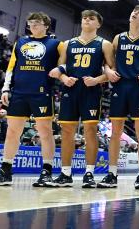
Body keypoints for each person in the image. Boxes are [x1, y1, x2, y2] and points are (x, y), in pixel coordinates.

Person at [0, 12, 61, 187]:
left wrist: (61, 71)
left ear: (46, 25)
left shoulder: (56, 44)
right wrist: (5, 88)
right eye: (30, 23)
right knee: (12, 132)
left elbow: (64, 63)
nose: (33, 25)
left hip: (42, 92)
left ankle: (46, 172)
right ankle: (5, 171)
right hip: (19, 93)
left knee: (45, 133)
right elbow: (11, 67)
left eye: (37, 23)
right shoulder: (21, 42)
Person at [48, 10, 113, 188]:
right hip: (70, 89)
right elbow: (60, 67)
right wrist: (63, 78)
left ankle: (89, 173)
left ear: (98, 24)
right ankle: (65, 173)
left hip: (91, 91)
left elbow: (112, 72)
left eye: (91, 18)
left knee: (90, 131)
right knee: (67, 131)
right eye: (84, 17)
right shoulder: (68, 44)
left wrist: (97, 80)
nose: (86, 20)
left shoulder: (104, 44)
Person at [100, 5, 139, 189]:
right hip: (120, 86)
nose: (135, 13)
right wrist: (108, 71)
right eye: (133, 10)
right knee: (115, 134)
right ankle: (112, 173)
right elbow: (107, 63)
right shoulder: (118, 38)